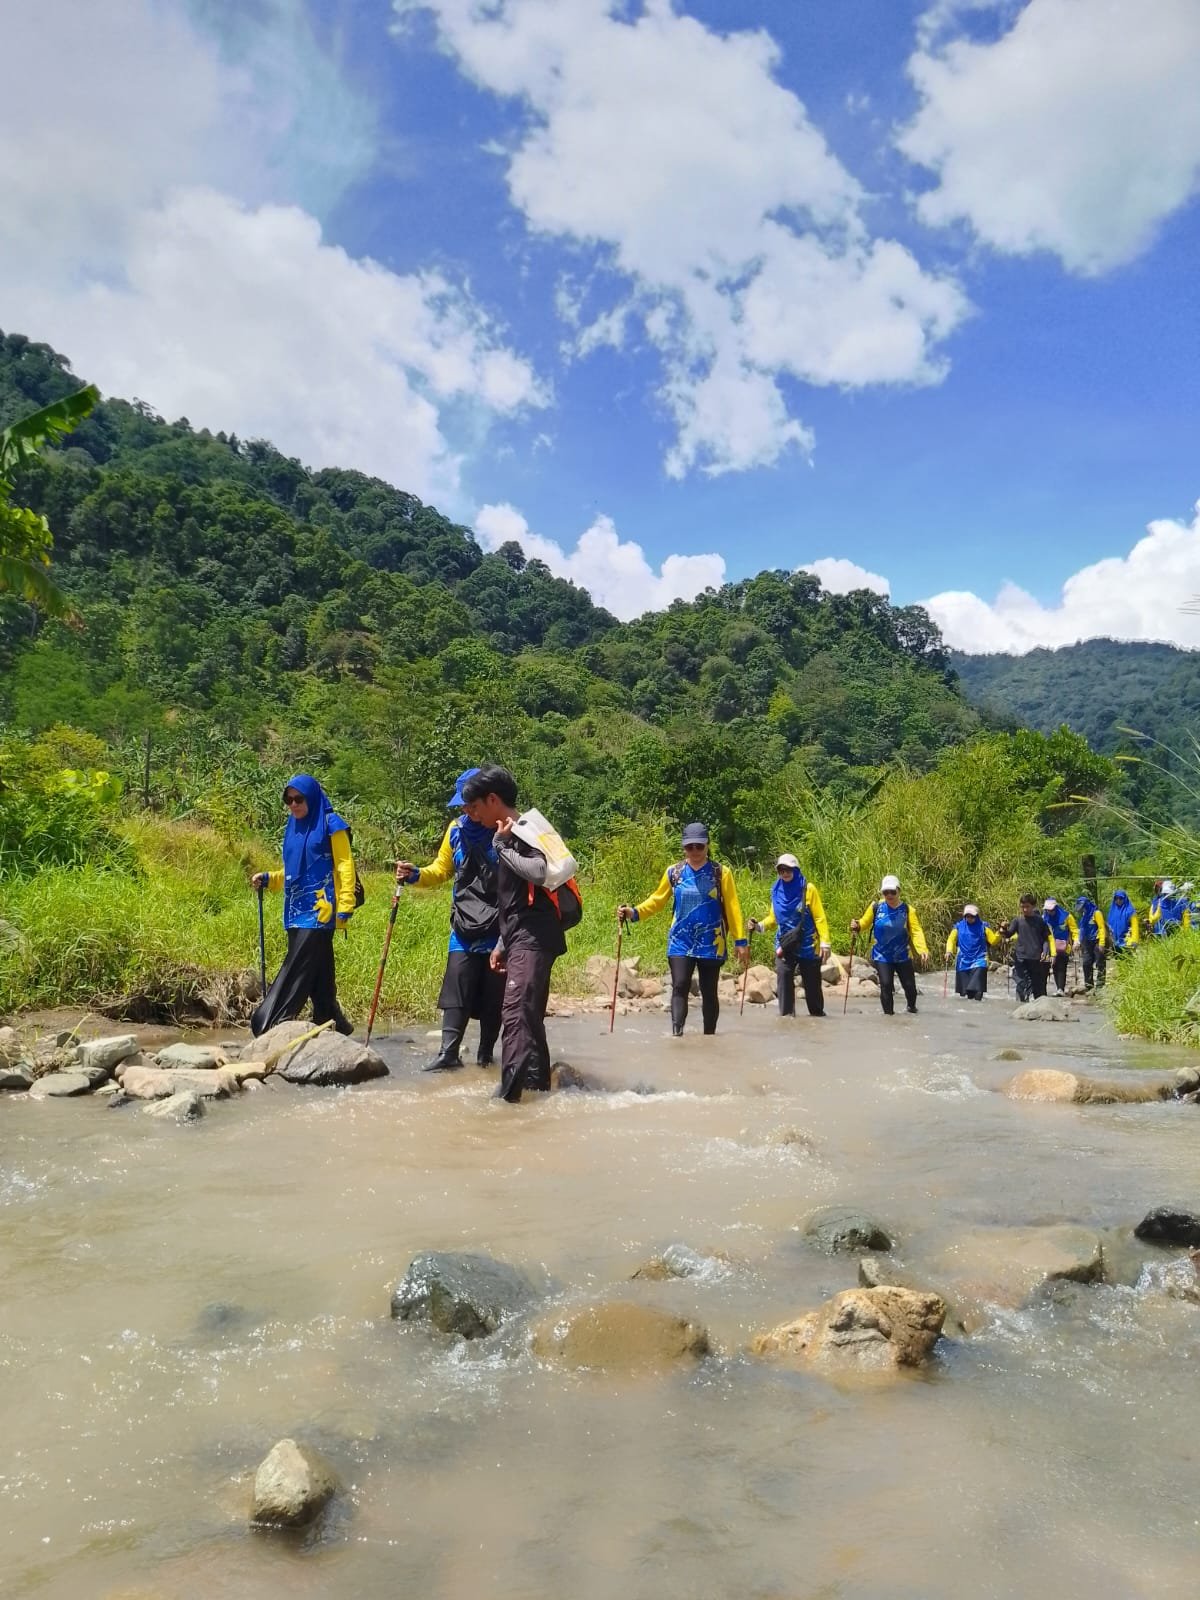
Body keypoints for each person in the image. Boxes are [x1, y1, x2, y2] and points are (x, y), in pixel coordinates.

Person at [461, 765, 572, 1103]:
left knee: (516, 1012)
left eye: (475, 808)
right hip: (524, 937)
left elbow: (538, 873)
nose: (473, 816)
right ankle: (537, 1090)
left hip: (533, 938)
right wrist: (501, 943)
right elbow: (516, 899)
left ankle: (506, 1100)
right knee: (528, 1014)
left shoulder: (521, 831)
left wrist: (502, 846)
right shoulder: (518, 831)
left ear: (493, 799)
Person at [395, 767, 504, 1072]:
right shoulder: (456, 830)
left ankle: (485, 1055)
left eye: (471, 804)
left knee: (494, 994)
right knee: (456, 986)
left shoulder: (505, 830)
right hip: (464, 923)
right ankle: (448, 1053)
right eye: (463, 805)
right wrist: (416, 874)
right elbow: (441, 870)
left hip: (498, 925)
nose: (468, 811)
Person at [250, 774, 356, 1036]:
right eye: (288, 800)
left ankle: (273, 1019)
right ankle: (330, 1017)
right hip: (295, 911)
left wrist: (346, 903)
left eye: (299, 799)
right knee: (319, 971)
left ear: (312, 798)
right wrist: (270, 879)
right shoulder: (293, 828)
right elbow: (292, 871)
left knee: (297, 966)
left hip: (321, 911)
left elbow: (344, 865)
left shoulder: (332, 824)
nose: (293, 805)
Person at [618, 823, 748, 1036]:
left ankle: (709, 1038)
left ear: (707, 845)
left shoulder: (721, 873)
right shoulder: (674, 872)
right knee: (679, 985)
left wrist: (740, 941)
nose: (695, 851)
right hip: (681, 941)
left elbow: (733, 908)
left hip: (712, 941)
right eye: (690, 847)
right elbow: (657, 900)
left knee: (709, 991)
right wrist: (634, 912)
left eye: (699, 846)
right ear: (684, 847)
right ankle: (677, 1035)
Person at [748, 853, 832, 1019]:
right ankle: (786, 1019)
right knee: (784, 979)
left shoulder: (808, 889)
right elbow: (773, 919)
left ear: (796, 870)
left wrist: (825, 942)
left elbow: (819, 917)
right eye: (781, 870)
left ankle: (817, 1018)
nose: (785, 873)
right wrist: (758, 926)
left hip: (808, 945)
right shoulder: (776, 890)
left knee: (812, 987)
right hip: (785, 945)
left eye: (788, 869)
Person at [850, 875, 929, 1016]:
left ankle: (912, 1008)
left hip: (903, 955)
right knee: (886, 985)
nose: (889, 895)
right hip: (882, 955)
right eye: (885, 892)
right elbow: (864, 923)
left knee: (910, 987)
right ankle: (889, 1016)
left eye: (892, 892)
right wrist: (857, 925)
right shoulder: (876, 907)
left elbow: (916, 931)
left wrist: (922, 949)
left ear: (899, 891)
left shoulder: (907, 910)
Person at [944, 903, 1002, 1000]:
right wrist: (949, 951)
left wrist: (1000, 933)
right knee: (968, 994)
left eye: (972, 916)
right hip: (963, 962)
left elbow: (993, 941)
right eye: (967, 916)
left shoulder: (984, 927)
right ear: (964, 916)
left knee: (978, 991)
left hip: (980, 960)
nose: (970, 918)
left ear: (977, 916)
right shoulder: (958, 927)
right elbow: (951, 939)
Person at [1003, 894, 1052, 1002]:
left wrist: (1045, 951)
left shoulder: (1040, 921)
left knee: (1038, 985)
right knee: (1021, 982)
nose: (1025, 909)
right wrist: (1003, 929)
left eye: (1027, 906)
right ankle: (1021, 1004)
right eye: (1022, 907)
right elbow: (1008, 934)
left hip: (1036, 957)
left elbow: (1045, 939)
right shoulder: (1017, 921)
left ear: (1033, 906)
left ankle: (1040, 1006)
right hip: (1021, 956)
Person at [1042, 897, 1077, 996]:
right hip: (1048, 946)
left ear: (1056, 908)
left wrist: (1076, 942)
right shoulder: (1043, 918)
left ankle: (1060, 989)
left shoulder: (1067, 917)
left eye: (1052, 910)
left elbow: (1074, 930)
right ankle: (1042, 991)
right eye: (1048, 910)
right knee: (1048, 967)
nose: (1050, 912)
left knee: (1061, 967)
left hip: (1063, 947)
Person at [1073, 894, 1108, 991]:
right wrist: (1078, 942)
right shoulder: (1084, 916)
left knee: (1100, 963)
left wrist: (1102, 943)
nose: (1082, 910)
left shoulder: (1096, 913)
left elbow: (1101, 928)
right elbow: (1082, 929)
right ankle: (1089, 986)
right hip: (1087, 942)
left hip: (1097, 941)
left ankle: (1100, 986)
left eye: (1083, 907)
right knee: (1086, 963)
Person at [1106, 888, 1140, 956]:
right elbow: (1108, 926)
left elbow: (1135, 927)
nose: (1118, 900)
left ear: (1125, 899)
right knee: (1118, 962)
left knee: (1127, 963)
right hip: (1114, 943)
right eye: (1116, 898)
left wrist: (1135, 940)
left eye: (1121, 898)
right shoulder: (1112, 911)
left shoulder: (1130, 911)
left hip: (1127, 943)